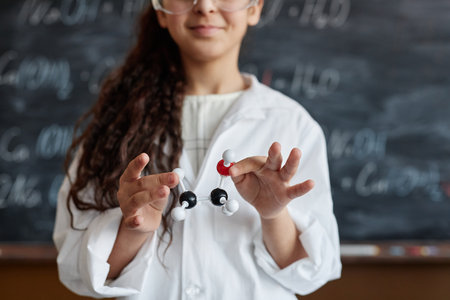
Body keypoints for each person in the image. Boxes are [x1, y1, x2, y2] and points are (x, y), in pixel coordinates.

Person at [53, 0, 342, 299]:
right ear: (162, 11)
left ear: (254, 8)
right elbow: (77, 270)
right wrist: (133, 230)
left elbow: (310, 273)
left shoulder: (291, 123)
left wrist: (274, 216)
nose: (204, 5)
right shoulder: (116, 124)